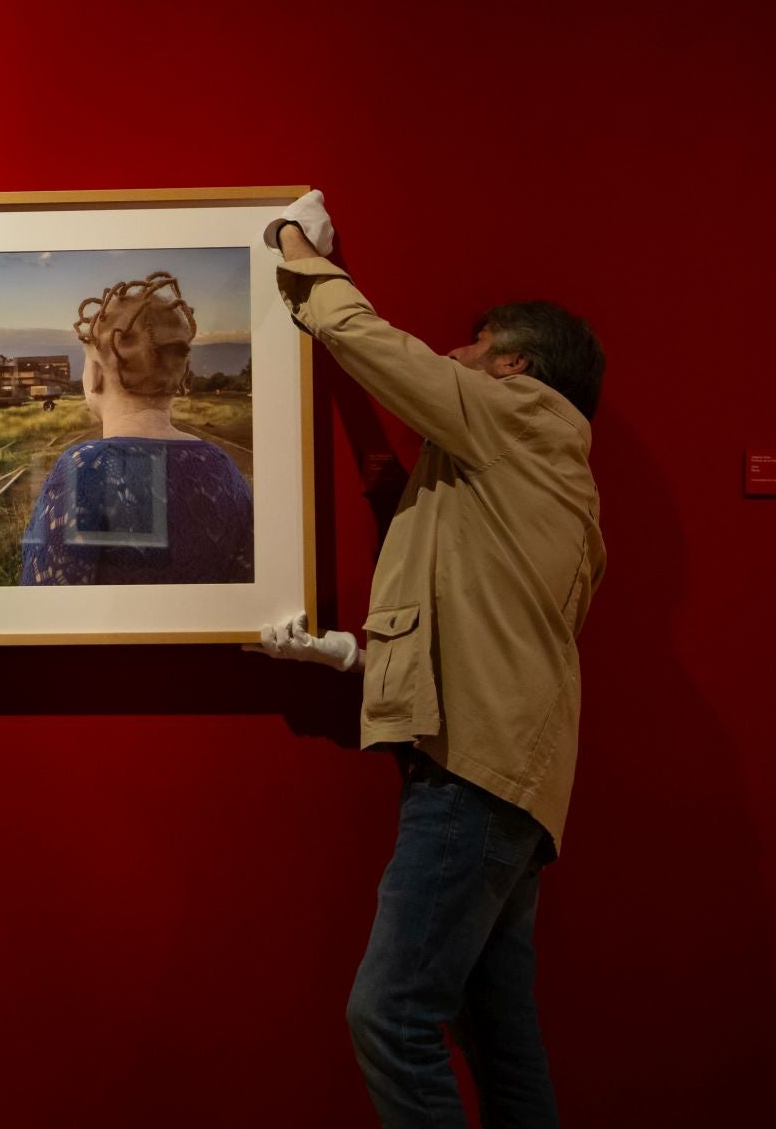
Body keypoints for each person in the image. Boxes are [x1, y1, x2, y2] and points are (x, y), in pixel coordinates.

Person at [249, 191, 606, 1126]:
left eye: (472, 349)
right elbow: (492, 626)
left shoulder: (515, 419)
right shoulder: (551, 474)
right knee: (499, 1033)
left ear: (514, 368)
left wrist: (296, 247)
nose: (454, 359)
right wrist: (358, 658)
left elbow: (373, 347)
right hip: (513, 774)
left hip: (474, 774)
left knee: (390, 1015)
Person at [19, 272, 253, 585]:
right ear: (179, 376)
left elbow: (46, 599)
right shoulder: (222, 467)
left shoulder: (83, 468)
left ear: (97, 376)